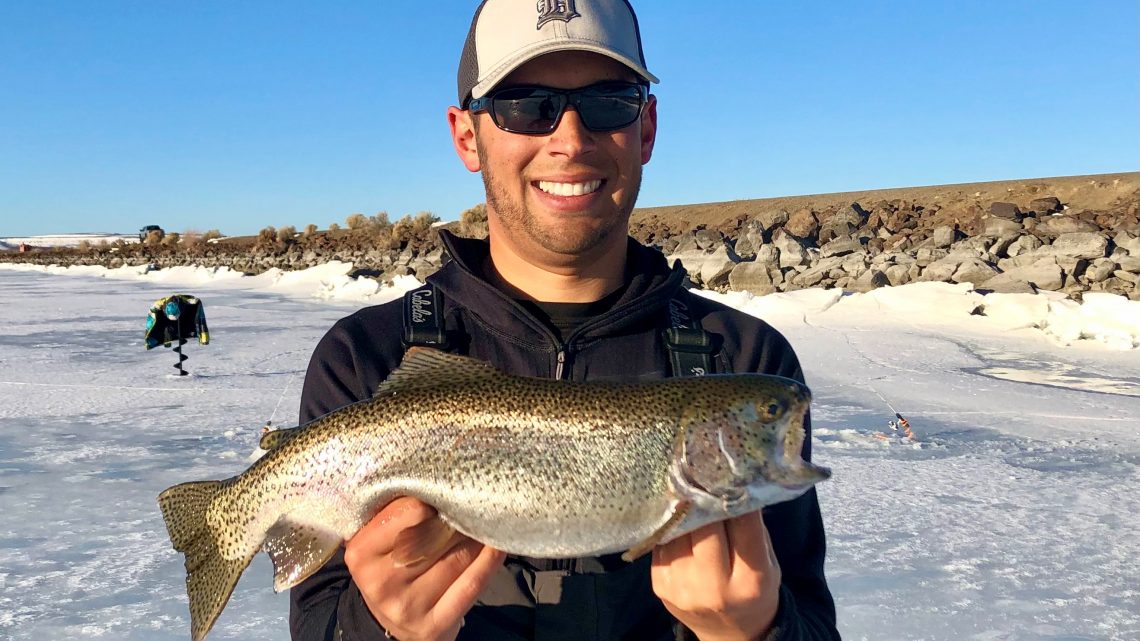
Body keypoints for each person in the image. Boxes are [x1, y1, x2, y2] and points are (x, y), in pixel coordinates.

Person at [290, 1, 839, 640]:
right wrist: (377, 629)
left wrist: (754, 632)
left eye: (609, 101)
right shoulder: (363, 358)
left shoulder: (744, 358)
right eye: (525, 104)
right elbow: (320, 623)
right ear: (467, 135)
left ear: (647, 128)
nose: (570, 140)